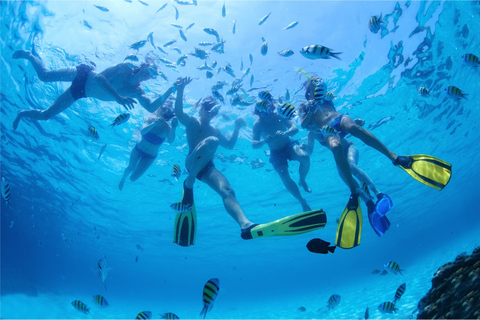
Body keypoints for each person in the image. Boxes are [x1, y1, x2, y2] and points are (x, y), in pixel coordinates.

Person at [171, 77, 327, 245]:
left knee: (228, 190)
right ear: (201, 108)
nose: (211, 113)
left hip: (207, 167)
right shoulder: (192, 122)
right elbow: (179, 113)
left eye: (214, 110)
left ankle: (245, 225)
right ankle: (189, 181)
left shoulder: (214, 129)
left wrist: (237, 127)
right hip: (191, 163)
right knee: (212, 141)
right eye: (208, 109)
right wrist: (180, 89)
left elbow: (230, 146)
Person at [12, 50, 176, 130]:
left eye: (154, 74)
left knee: (46, 115)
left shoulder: (137, 92)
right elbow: (98, 78)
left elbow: (150, 107)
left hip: (82, 92)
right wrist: (118, 97)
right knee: (45, 76)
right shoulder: (124, 67)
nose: (150, 74)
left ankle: (22, 113)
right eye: (150, 69)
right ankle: (30, 56)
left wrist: (171, 90)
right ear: (143, 65)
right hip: (84, 74)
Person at [252, 97, 312, 212]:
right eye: (263, 114)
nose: (267, 116)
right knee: (284, 177)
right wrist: (264, 140)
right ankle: (302, 202)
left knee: (305, 157)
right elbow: (254, 144)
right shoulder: (257, 124)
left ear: (271, 108)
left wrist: (285, 133)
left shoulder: (279, 115)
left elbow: (294, 129)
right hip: (275, 153)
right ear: (258, 113)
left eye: (268, 111)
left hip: (289, 145)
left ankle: (302, 180)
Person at [118, 100, 178, 190]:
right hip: (138, 149)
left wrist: (174, 128)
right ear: (159, 109)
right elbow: (143, 131)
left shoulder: (168, 128)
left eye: (168, 111)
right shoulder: (150, 118)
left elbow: (170, 141)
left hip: (149, 156)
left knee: (133, 178)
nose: (165, 112)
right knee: (130, 168)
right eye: (164, 109)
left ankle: (127, 179)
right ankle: (123, 178)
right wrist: (154, 124)